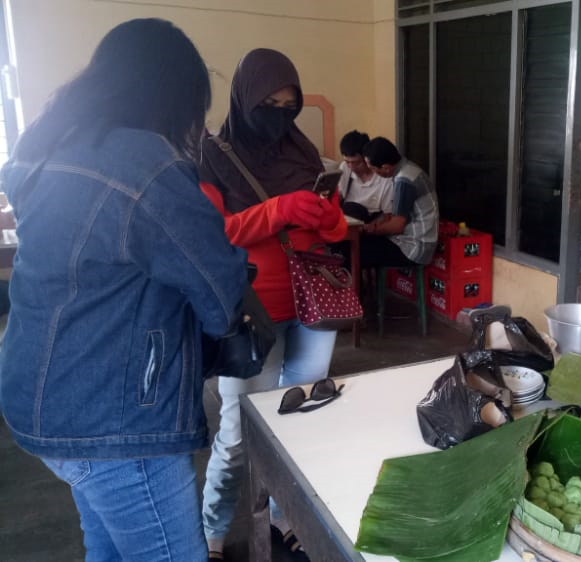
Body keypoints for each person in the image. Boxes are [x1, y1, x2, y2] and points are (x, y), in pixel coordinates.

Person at [0, 19, 247, 561]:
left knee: (109, 545)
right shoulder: (148, 166)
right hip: (116, 420)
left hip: (40, 402)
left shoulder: (46, 149)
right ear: (170, 94)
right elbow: (218, 291)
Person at [198, 48, 346, 560]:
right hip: (252, 314)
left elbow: (333, 227)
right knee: (239, 432)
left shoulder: (303, 153)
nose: (280, 115)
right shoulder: (213, 157)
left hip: (315, 303)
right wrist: (278, 209)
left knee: (301, 418)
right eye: (270, 104)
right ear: (244, 100)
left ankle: (284, 517)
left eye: (290, 105)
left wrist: (328, 219)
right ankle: (214, 532)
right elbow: (216, 232)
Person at [360, 137, 439, 267]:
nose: (373, 173)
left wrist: (370, 230)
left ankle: (354, 287)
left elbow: (397, 226)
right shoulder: (408, 168)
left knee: (357, 249)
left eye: (373, 169)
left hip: (415, 248)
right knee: (364, 243)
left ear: (385, 168)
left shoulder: (404, 180)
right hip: (414, 241)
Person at [336, 130, 395, 222]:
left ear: (366, 158)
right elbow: (338, 196)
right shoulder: (344, 168)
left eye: (357, 163)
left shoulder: (384, 178)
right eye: (347, 162)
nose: (351, 167)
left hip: (371, 224)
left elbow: (388, 217)